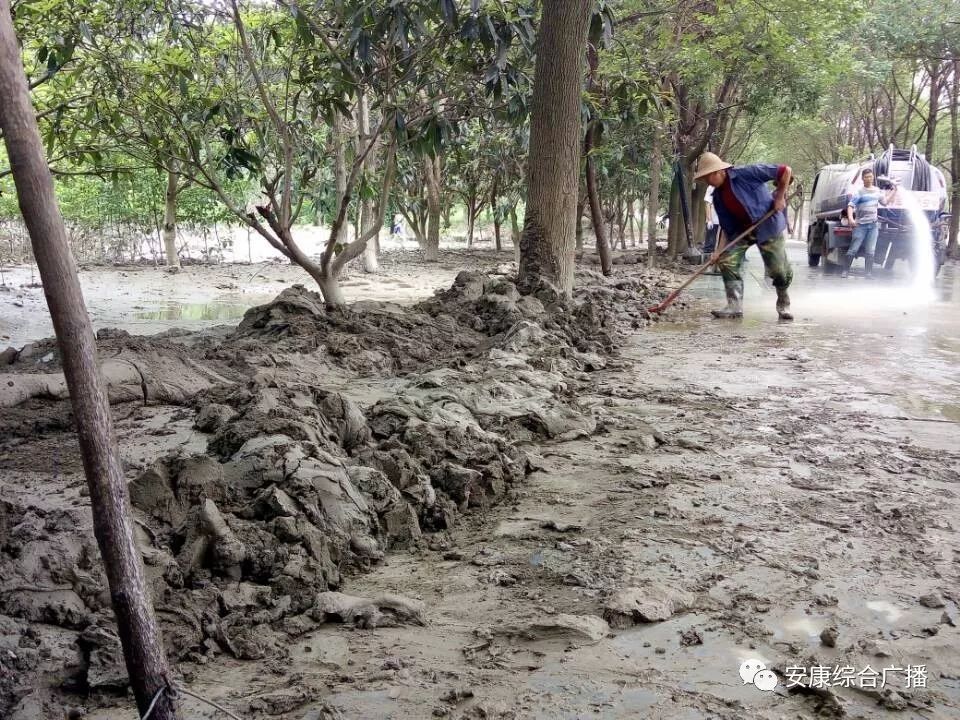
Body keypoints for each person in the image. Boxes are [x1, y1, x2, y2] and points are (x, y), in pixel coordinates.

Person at [693, 152, 794, 321]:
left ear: (718, 172)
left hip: (767, 224)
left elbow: (785, 170)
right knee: (726, 259)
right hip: (742, 231)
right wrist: (718, 251)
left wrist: (780, 196)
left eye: (708, 177)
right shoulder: (718, 197)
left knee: (778, 269)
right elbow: (727, 228)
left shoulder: (746, 173)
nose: (707, 182)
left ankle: (783, 300)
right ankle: (734, 305)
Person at [843, 168, 897, 278]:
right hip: (860, 225)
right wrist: (851, 219)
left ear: (873, 178)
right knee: (853, 249)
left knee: (870, 250)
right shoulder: (859, 192)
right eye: (866, 177)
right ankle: (845, 271)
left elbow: (885, 202)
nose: (869, 179)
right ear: (863, 179)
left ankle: (868, 273)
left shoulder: (877, 191)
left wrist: (894, 190)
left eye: (871, 177)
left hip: (873, 226)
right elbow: (850, 206)